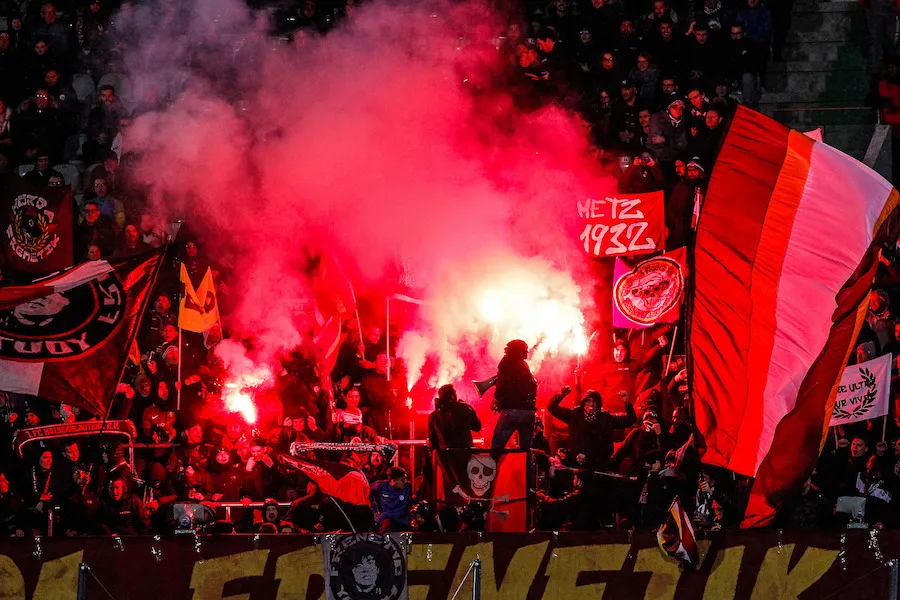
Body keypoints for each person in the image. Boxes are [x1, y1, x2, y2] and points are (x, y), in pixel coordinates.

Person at [546, 385, 636, 470]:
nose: (591, 404)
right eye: (588, 401)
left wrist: (627, 402)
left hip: (599, 462)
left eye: (594, 401)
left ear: (599, 404)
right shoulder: (575, 415)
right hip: (577, 460)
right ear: (584, 403)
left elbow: (630, 420)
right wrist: (561, 395)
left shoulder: (605, 418)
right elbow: (551, 408)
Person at [491, 339, 538, 450]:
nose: (527, 352)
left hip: (512, 410)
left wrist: (497, 399)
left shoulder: (505, 363)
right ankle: (526, 467)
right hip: (529, 411)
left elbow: (502, 384)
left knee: (497, 446)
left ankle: (491, 467)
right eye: (525, 350)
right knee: (526, 450)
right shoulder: (524, 365)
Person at [427, 384, 481, 449]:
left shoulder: (433, 416)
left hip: (444, 456)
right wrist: (469, 409)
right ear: (452, 396)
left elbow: (433, 441)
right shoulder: (464, 408)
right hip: (465, 453)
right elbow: (477, 427)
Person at [369, 466, 412, 532]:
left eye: (406, 478)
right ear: (393, 480)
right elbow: (370, 494)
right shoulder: (380, 486)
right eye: (402, 479)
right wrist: (375, 510)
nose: (405, 481)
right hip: (386, 519)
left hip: (402, 520)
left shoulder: (408, 487)